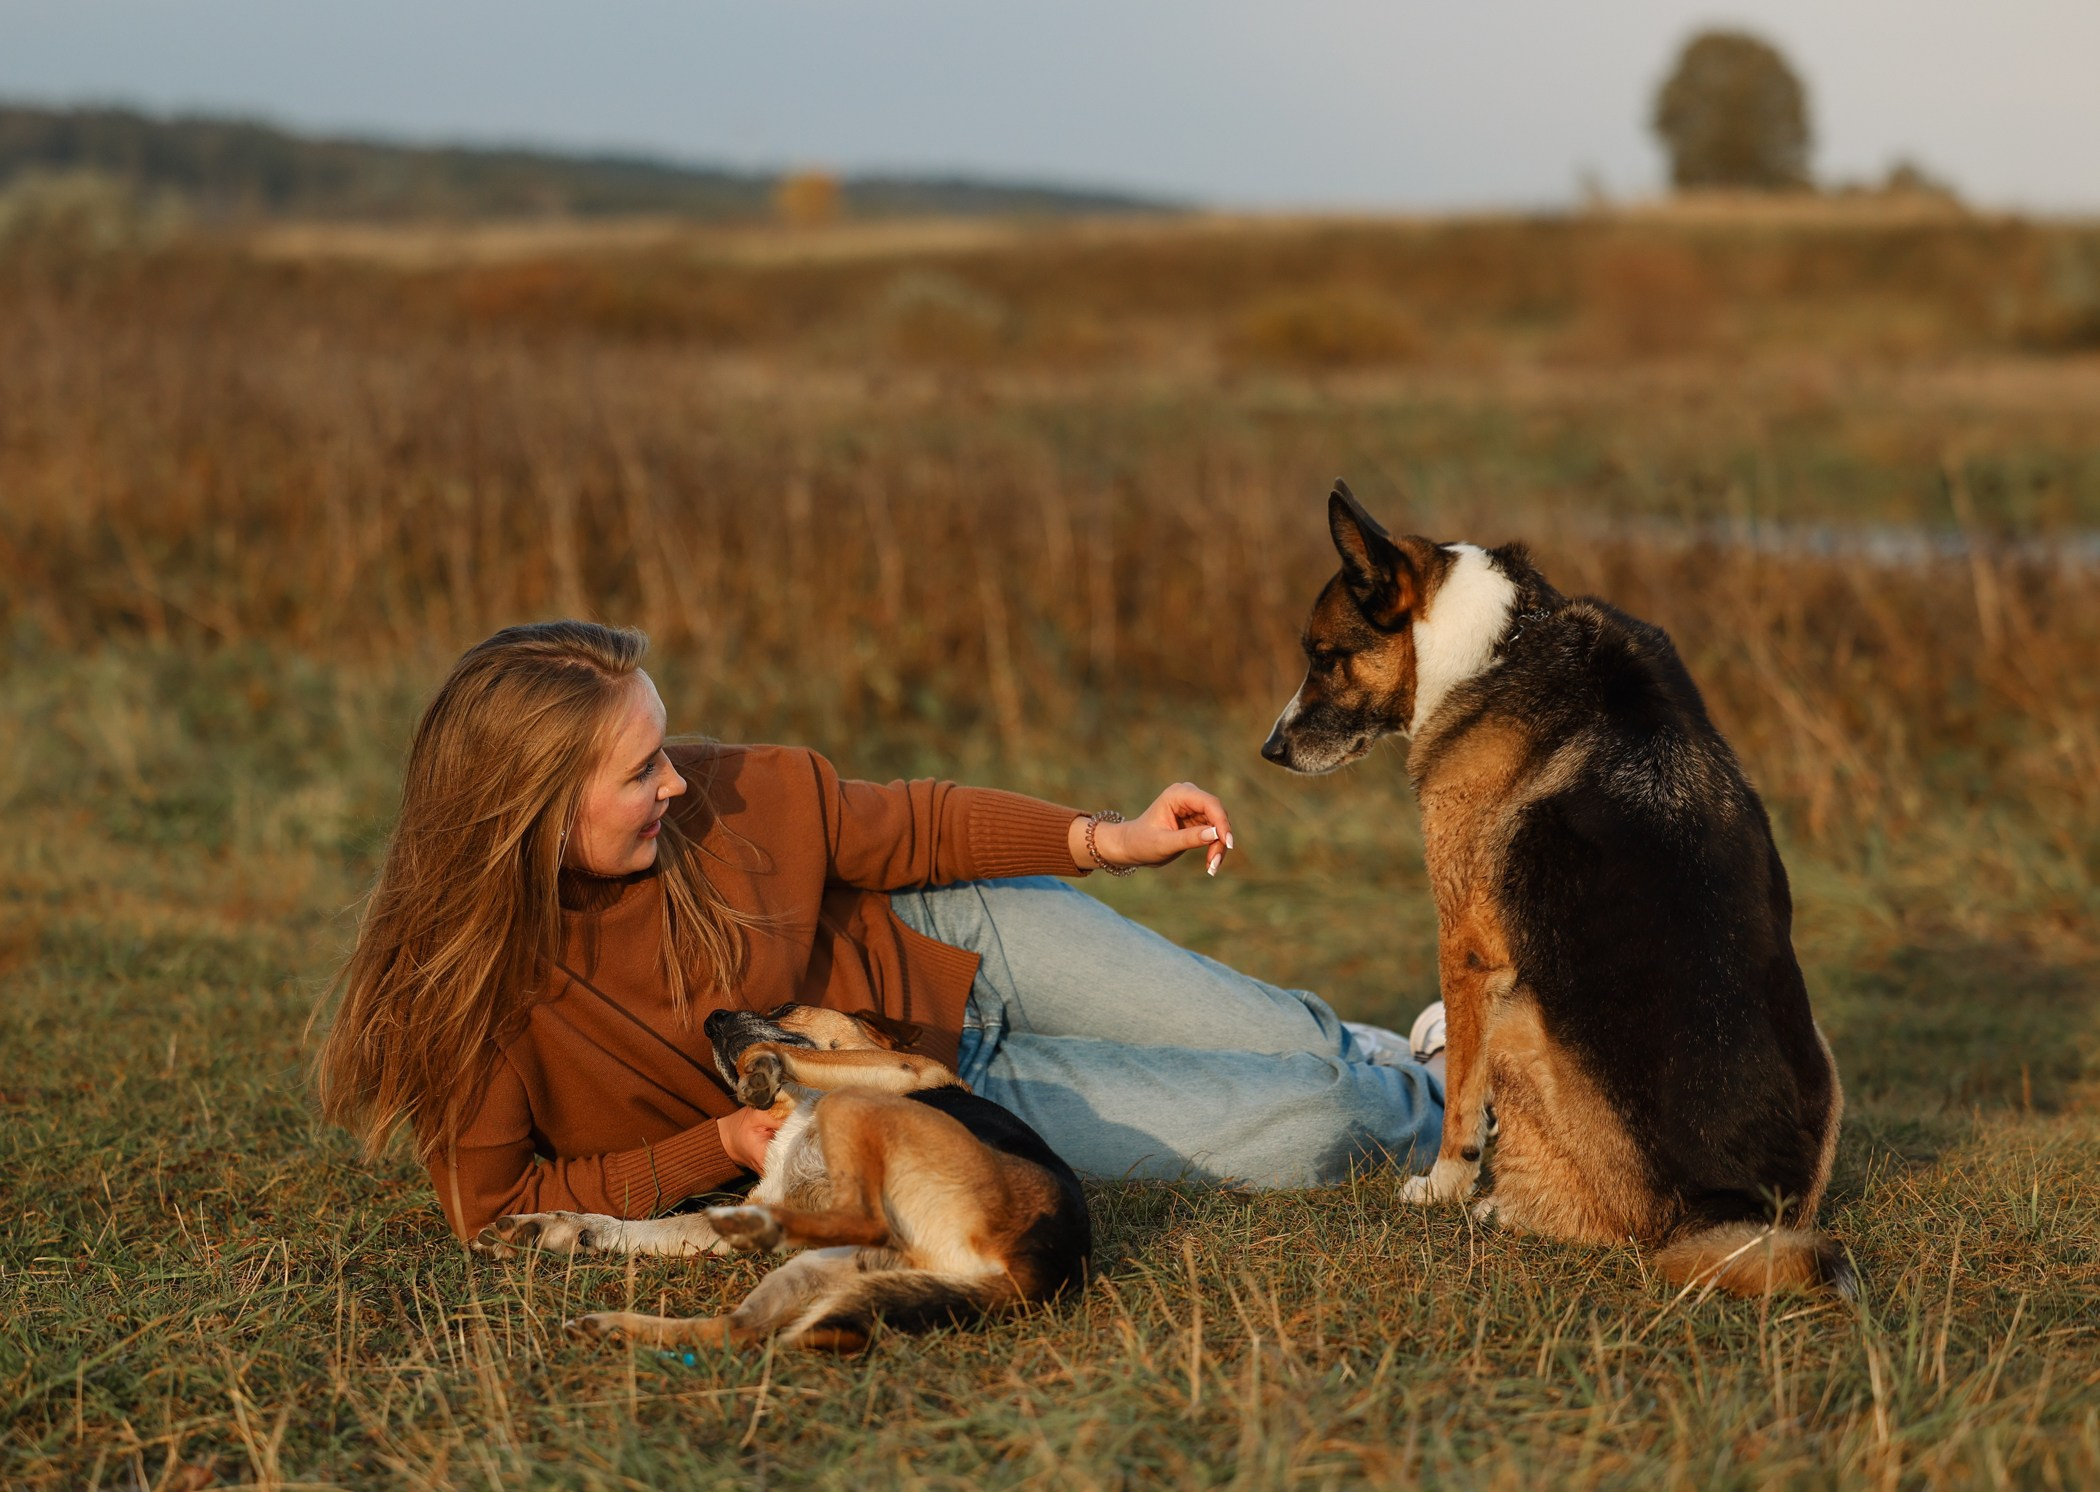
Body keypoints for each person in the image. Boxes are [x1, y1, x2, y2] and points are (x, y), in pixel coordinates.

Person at [317, 621, 1446, 1238]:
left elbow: (909, 826)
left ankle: (1446, 1059)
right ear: (535, 808)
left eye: (666, 747)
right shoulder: (476, 1005)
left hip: (964, 939)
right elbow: (498, 1206)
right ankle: (1437, 1093)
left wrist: (1110, 838)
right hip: (916, 1102)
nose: (676, 779)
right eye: (639, 769)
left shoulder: (714, 794)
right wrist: (715, 1150)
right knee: (1325, 1122)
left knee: (1297, 1044)